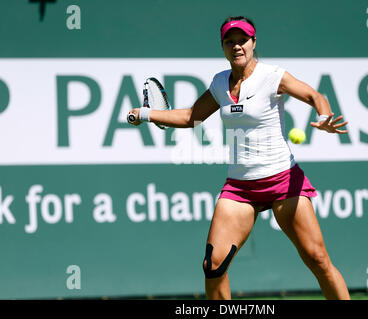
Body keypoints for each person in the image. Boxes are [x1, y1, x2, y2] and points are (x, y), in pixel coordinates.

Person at [128, 16, 350, 300]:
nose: (236, 46)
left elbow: (313, 95)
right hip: (240, 188)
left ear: (253, 43)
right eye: (229, 41)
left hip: (283, 180)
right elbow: (190, 117)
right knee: (213, 265)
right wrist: (144, 113)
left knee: (318, 259)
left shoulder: (273, 76)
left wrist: (324, 117)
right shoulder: (220, 83)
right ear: (222, 47)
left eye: (242, 40)